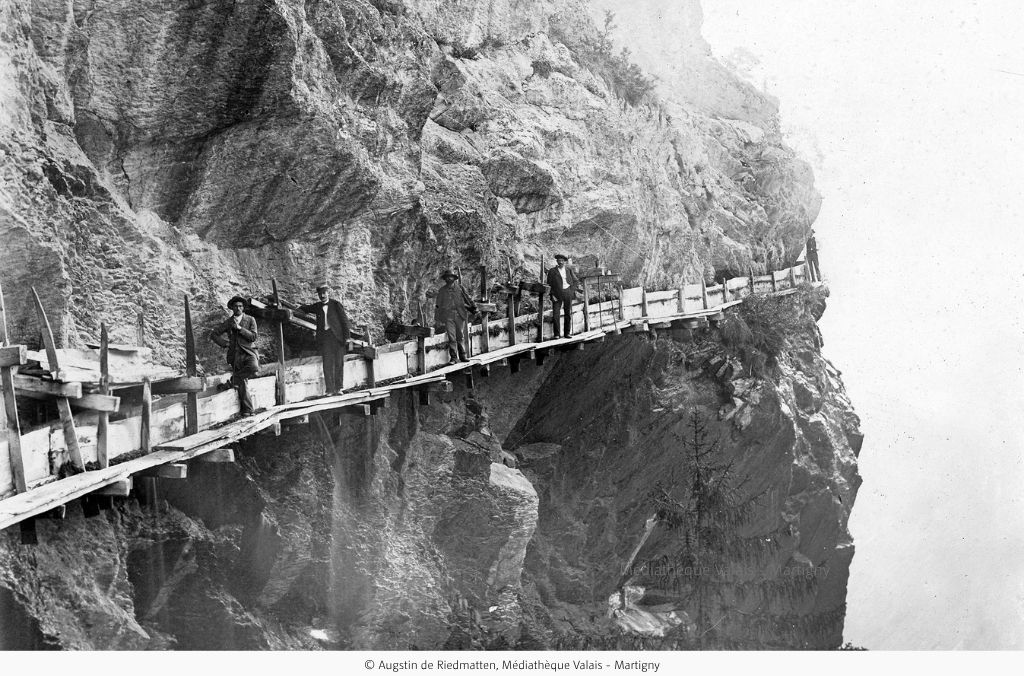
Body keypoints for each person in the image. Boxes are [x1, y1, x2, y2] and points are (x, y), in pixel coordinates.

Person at [210, 295, 259, 417]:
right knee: (242, 383)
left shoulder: (250, 319)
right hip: (235, 355)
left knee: (254, 368)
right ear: (232, 308)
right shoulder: (228, 322)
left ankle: (233, 380)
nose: (238, 308)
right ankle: (248, 410)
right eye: (236, 306)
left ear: (243, 308)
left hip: (249, 352)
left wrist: (240, 328)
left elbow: (253, 337)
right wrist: (225, 343)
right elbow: (214, 334)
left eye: (240, 306)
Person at [299, 282, 350, 394]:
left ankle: (339, 388)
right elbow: (307, 308)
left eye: (324, 293)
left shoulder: (336, 305)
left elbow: (344, 321)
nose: (322, 296)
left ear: (328, 293)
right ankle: (330, 390)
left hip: (337, 338)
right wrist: (299, 308)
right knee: (327, 364)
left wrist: (347, 337)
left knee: (339, 363)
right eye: (320, 294)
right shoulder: (317, 306)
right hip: (325, 339)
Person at [434, 270, 476, 363]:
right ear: (445, 279)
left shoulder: (460, 288)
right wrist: (437, 318)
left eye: (451, 276)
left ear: (454, 278)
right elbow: (438, 305)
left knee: (460, 336)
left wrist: (474, 307)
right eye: (447, 277)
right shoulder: (442, 290)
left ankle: (463, 356)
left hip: (459, 315)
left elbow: (467, 298)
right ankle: (453, 358)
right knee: (451, 337)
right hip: (448, 316)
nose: (449, 278)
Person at [546, 254, 580, 338]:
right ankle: (557, 334)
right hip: (557, 295)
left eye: (562, 261)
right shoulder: (552, 271)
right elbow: (549, 285)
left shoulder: (568, 270)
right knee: (556, 314)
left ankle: (567, 333)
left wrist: (571, 291)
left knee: (567, 313)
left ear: (564, 262)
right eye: (559, 260)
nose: (560, 262)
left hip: (567, 293)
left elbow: (576, 281)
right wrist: (552, 295)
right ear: (557, 261)